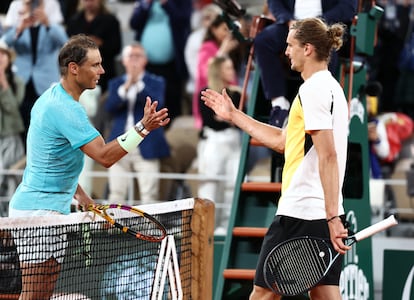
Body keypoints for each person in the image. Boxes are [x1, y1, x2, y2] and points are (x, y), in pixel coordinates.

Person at [8, 34, 170, 300]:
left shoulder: (52, 97)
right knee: (34, 294)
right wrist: (143, 128)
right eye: (95, 65)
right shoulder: (65, 109)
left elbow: (53, 160)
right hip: (37, 212)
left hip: (51, 208)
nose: (102, 71)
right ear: (74, 68)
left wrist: (80, 195)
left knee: (43, 291)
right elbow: (105, 157)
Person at [201, 18, 350, 299]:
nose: (285, 52)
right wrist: (235, 115)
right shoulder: (327, 87)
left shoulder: (315, 90)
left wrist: (332, 218)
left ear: (307, 49)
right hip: (319, 211)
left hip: (302, 212)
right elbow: (284, 141)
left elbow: (328, 156)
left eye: (290, 45)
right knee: (325, 294)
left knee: (264, 293)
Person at [254, 0, 357, 128]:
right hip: (291, 25)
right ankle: (279, 105)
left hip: (325, 27)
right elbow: (274, 2)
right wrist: (287, 19)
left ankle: (317, 110)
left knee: (327, 51)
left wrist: (318, 23)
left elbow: (348, 7)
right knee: (263, 41)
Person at [105, 43, 170, 204]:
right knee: (116, 193)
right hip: (120, 142)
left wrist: (138, 84)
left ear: (145, 60)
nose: (134, 60)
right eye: (130, 56)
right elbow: (109, 107)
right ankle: (113, 227)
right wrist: (127, 86)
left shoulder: (156, 81)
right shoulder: (115, 83)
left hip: (146, 143)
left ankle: (148, 228)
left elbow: (158, 103)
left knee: (149, 194)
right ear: (124, 61)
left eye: (138, 56)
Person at [1, 0, 68, 143]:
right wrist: (19, 28)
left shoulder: (52, 5)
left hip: (46, 80)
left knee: (45, 124)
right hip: (22, 79)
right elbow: (4, 43)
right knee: (23, 122)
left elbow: (65, 42)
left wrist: (47, 23)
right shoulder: (16, 5)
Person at [198, 55, 241, 235]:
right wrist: (228, 118)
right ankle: (205, 226)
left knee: (233, 183)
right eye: (228, 68)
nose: (232, 71)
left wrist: (227, 117)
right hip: (213, 142)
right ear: (219, 70)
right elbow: (210, 121)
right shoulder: (206, 92)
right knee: (210, 183)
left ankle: (226, 225)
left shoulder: (237, 93)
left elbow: (238, 119)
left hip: (233, 141)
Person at [130, 0, 192, 123]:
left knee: (171, 102)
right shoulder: (144, 2)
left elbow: (183, 20)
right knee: (147, 100)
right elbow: (134, 23)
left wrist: (167, 4)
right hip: (146, 65)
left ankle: (170, 135)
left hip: (172, 64)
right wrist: (146, 5)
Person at [193, 14, 239, 129]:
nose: (227, 33)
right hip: (210, 93)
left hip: (226, 92)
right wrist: (223, 50)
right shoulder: (207, 47)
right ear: (214, 29)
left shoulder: (227, 47)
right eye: (224, 29)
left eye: (229, 29)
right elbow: (205, 72)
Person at [66, 0, 122, 93]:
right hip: (80, 75)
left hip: (104, 74)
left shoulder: (111, 20)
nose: (89, 3)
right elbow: (68, 48)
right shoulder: (74, 21)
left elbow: (116, 48)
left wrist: (100, 44)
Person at [0, 41, 25, 198]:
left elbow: (12, 108)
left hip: (11, 137)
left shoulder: (17, 82)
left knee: (12, 178)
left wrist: (3, 82)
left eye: (3, 54)